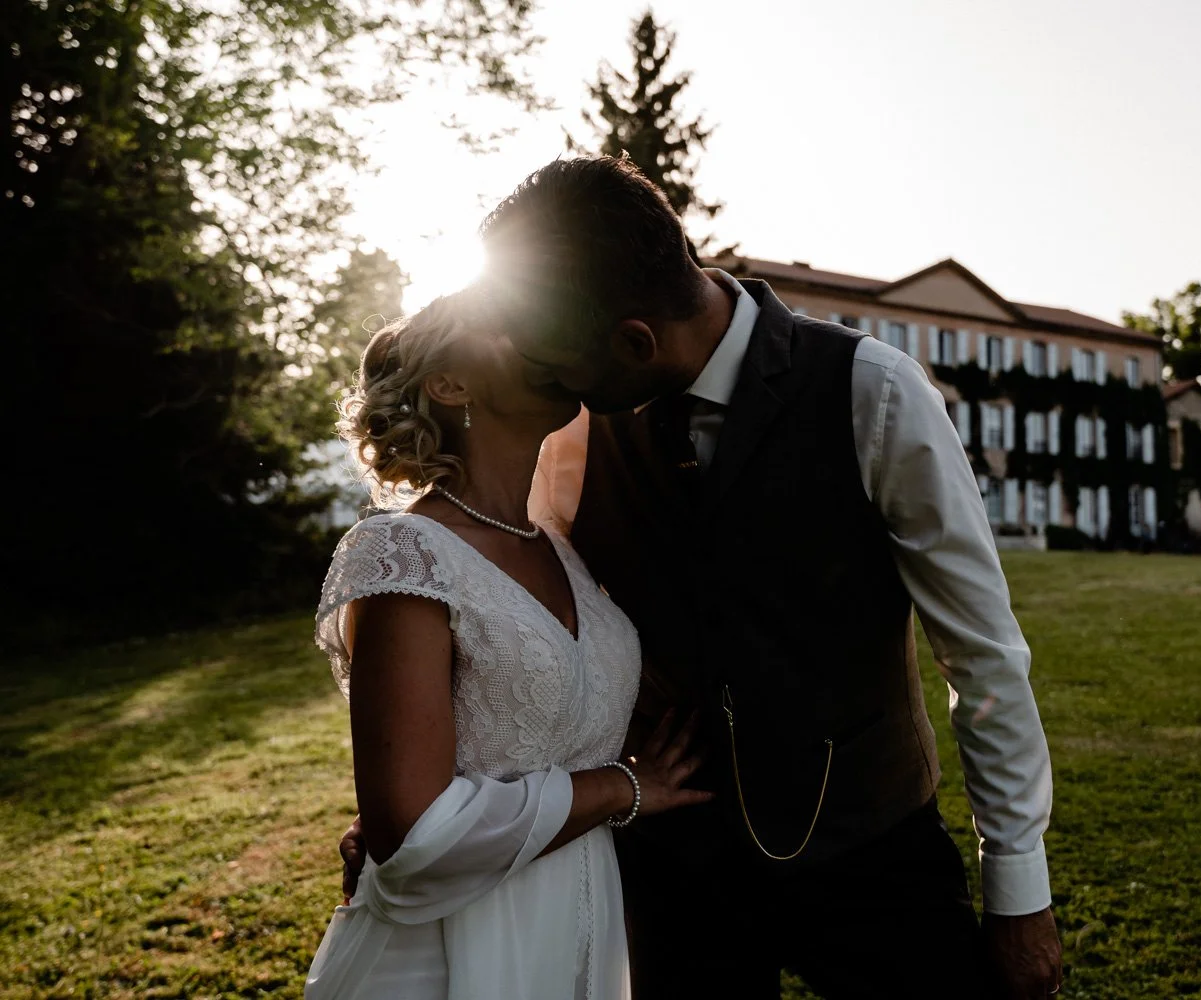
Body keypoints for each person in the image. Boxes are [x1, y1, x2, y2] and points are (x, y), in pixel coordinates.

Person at [345, 156, 1064, 999]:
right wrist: (407, 811)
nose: (553, 380)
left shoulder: (875, 395)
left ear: (634, 341)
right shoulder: (570, 433)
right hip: (671, 869)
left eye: (556, 357)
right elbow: (502, 623)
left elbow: (982, 658)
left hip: (872, 849)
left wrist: (1019, 893)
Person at [304, 290, 711, 999]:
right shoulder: (402, 554)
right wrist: (623, 788)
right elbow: (413, 835)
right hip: (451, 947)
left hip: (579, 921)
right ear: (449, 383)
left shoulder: (562, 549)